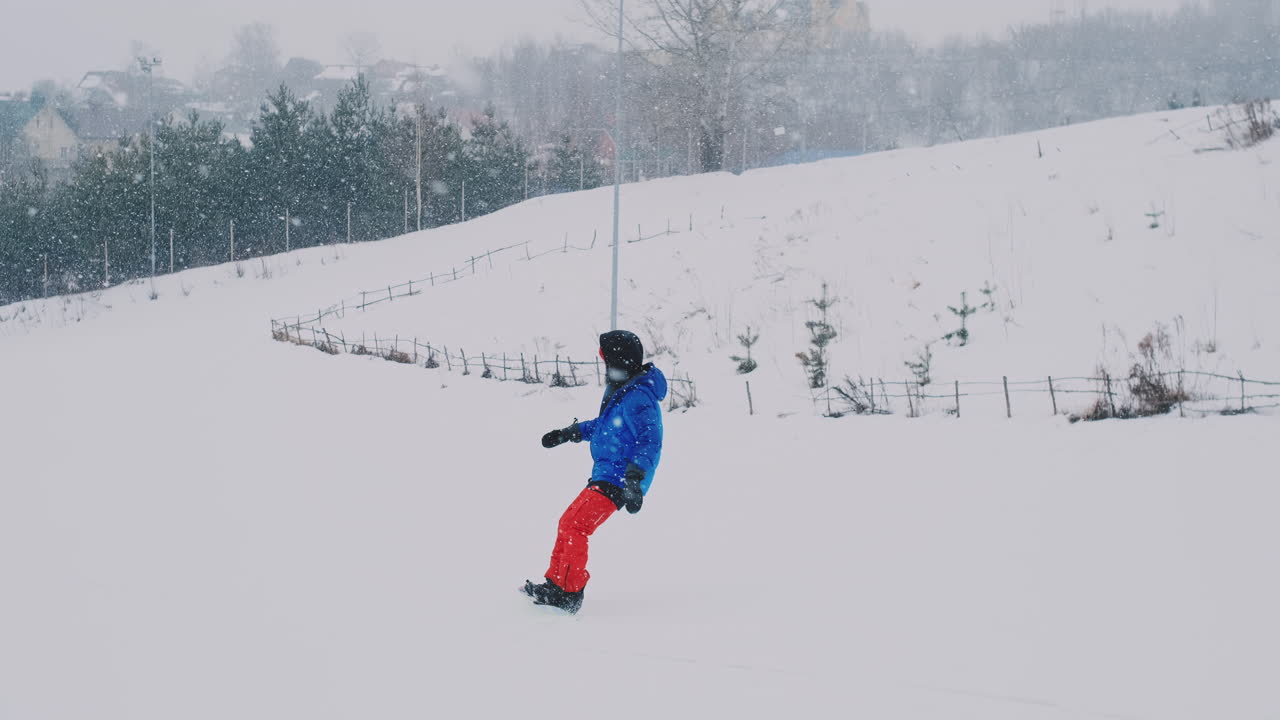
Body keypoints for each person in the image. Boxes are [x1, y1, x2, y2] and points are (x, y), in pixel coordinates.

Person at [522, 330, 667, 614]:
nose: (605, 369)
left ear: (621, 363)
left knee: (576, 526)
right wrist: (570, 432)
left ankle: (569, 592)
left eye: (608, 363)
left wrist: (635, 479)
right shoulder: (622, 390)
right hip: (606, 474)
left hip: (621, 479)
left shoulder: (639, 399)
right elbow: (605, 425)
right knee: (568, 523)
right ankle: (556, 584)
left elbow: (650, 441)